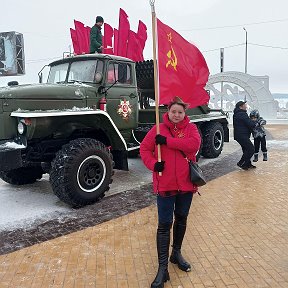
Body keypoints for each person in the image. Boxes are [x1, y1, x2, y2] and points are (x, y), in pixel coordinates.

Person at [140, 96, 201, 288]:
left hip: (185, 185)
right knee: (164, 224)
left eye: (180, 112)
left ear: (185, 113)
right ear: (168, 111)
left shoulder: (190, 128)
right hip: (165, 184)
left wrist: (167, 141)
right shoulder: (158, 128)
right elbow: (144, 149)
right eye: (173, 111)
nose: (176, 115)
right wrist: (153, 164)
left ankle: (176, 253)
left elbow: (193, 146)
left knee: (181, 218)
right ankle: (162, 268)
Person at [233, 100, 258, 170]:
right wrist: (256, 123)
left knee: (246, 149)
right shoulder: (242, 114)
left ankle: (247, 164)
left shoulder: (238, 113)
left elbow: (246, 122)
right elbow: (250, 123)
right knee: (251, 149)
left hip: (241, 135)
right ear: (240, 107)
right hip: (242, 135)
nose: (246, 106)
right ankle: (241, 163)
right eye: (244, 105)